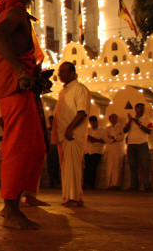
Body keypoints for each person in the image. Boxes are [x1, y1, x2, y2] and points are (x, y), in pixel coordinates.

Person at [0, 0, 46, 230]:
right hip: (16, 86)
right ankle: (11, 210)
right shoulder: (16, 11)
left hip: (19, 87)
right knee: (18, 146)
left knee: (33, 143)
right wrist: (20, 71)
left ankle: (16, 201)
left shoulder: (6, 10)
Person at [52, 62, 90, 207]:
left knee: (73, 167)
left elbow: (82, 112)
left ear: (72, 73)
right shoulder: (64, 91)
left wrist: (70, 128)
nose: (60, 75)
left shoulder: (80, 89)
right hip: (63, 136)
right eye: (59, 72)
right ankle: (71, 197)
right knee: (67, 168)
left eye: (63, 72)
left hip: (73, 135)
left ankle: (73, 198)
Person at [124, 103, 153, 191]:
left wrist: (139, 124)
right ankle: (134, 185)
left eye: (143, 109)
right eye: (140, 108)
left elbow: (149, 131)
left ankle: (147, 185)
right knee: (132, 165)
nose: (142, 110)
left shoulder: (147, 119)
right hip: (131, 144)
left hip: (142, 143)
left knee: (145, 165)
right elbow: (124, 130)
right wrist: (130, 121)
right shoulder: (131, 119)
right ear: (136, 109)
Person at [103, 113, 125, 189]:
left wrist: (115, 138)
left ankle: (116, 184)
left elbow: (122, 136)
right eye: (111, 118)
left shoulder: (121, 127)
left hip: (118, 148)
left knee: (117, 165)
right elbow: (105, 137)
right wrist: (111, 140)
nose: (113, 119)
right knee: (110, 166)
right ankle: (109, 184)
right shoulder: (108, 128)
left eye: (114, 118)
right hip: (110, 148)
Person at [84, 116, 106, 189]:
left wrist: (95, 140)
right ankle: (86, 183)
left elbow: (105, 141)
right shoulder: (88, 130)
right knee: (86, 168)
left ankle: (91, 184)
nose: (92, 124)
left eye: (93, 123)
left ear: (96, 122)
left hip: (97, 151)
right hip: (87, 151)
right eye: (91, 123)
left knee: (93, 168)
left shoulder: (102, 130)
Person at [46, 115, 61, 188]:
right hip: (50, 149)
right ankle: (51, 181)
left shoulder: (58, 130)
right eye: (50, 121)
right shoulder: (47, 131)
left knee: (56, 165)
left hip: (57, 149)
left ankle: (56, 181)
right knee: (50, 166)